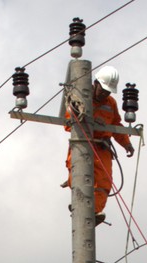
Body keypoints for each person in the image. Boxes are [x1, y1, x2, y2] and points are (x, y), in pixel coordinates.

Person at [60, 66, 132, 221]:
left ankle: (93, 213)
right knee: (79, 176)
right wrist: (87, 119)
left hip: (102, 147)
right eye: (103, 89)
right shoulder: (78, 97)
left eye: (108, 91)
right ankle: (79, 205)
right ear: (95, 83)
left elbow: (116, 125)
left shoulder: (110, 103)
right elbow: (68, 122)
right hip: (81, 144)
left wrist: (126, 143)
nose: (105, 93)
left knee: (104, 182)